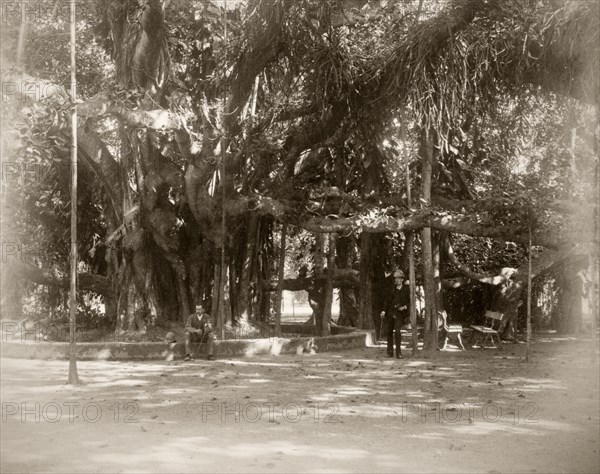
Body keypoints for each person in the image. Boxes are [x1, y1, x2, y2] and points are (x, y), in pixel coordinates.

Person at [381, 269, 410, 358]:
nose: (396, 280)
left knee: (397, 332)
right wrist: (383, 311)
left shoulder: (406, 290)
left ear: (402, 279)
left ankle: (398, 353)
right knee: (389, 332)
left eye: (398, 278)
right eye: (395, 278)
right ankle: (390, 352)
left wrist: (404, 307)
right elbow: (386, 301)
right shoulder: (392, 289)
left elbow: (410, 302)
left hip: (399, 314)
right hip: (390, 312)